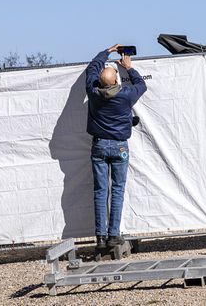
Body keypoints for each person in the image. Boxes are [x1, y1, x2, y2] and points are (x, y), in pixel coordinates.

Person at [85, 44, 146, 254]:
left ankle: (100, 238)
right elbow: (142, 85)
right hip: (120, 147)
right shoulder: (126, 95)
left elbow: (92, 68)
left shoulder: (93, 92)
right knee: (117, 190)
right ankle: (113, 235)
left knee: (101, 192)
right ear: (116, 81)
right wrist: (128, 67)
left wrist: (107, 51)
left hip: (99, 145)